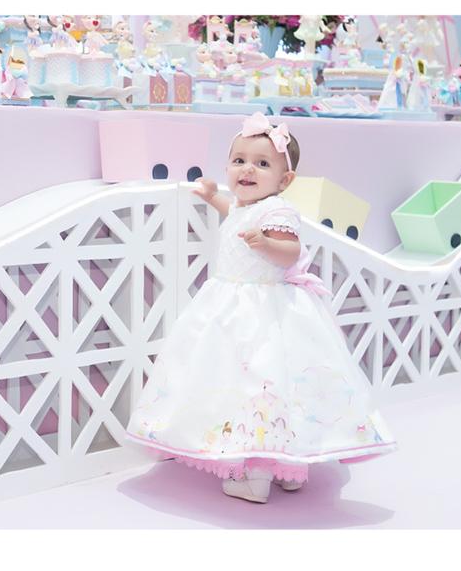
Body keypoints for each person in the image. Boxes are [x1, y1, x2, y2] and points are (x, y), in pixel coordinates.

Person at [126, 112, 397, 504]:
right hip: (231, 304)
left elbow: (291, 252)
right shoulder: (244, 207)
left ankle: (258, 475)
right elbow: (233, 213)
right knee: (258, 389)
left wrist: (268, 245)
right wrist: (211, 196)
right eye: (239, 160)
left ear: (284, 181)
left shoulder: (279, 211)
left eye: (262, 163)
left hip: (262, 311)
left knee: (260, 387)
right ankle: (287, 469)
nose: (247, 169)